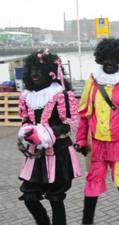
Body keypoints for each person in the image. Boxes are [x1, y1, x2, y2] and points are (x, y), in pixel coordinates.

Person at [75, 38, 119, 225]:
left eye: (112, 59)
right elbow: (84, 114)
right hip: (98, 143)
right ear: (100, 59)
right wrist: (81, 140)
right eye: (105, 59)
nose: (109, 63)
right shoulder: (93, 81)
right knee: (92, 182)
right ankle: (87, 221)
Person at [17, 49, 81, 225]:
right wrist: (26, 132)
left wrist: (48, 133)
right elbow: (26, 120)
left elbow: (70, 123)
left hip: (58, 152)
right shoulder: (27, 96)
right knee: (30, 197)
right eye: (33, 70)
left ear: (51, 72)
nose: (36, 74)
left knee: (56, 199)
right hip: (36, 154)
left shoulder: (61, 94)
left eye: (41, 70)